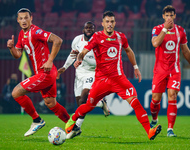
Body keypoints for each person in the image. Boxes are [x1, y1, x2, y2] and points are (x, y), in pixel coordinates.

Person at [65, 11, 162, 141]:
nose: (110, 24)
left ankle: (149, 131)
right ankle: (73, 118)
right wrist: (80, 59)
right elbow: (84, 51)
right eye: (107, 22)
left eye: (112, 22)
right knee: (88, 105)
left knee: (135, 102)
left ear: (115, 23)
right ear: (103, 23)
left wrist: (136, 67)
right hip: (102, 81)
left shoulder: (121, 37)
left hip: (119, 79)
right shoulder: (97, 37)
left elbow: (128, 50)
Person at [7, 8, 70, 137]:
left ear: (31, 18)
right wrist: (11, 48)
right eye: (21, 18)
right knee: (50, 103)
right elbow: (17, 54)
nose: (24, 21)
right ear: (18, 20)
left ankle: (37, 120)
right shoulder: (21, 34)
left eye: (26, 18)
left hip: (45, 73)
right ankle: (72, 126)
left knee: (16, 92)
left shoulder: (36, 31)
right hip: (45, 74)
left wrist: (50, 60)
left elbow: (58, 40)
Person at [57, 21, 109, 139]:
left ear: (94, 30)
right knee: (80, 103)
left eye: (91, 28)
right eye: (87, 27)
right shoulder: (77, 40)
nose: (89, 29)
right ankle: (101, 103)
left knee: (84, 97)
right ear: (83, 29)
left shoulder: (98, 42)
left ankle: (77, 128)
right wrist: (64, 68)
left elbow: (101, 60)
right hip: (79, 73)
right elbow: (72, 55)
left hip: (92, 72)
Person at [150, 5, 190, 137]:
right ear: (163, 16)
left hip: (174, 70)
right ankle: (154, 118)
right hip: (160, 70)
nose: (169, 18)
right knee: (155, 99)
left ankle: (170, 129)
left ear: (174, 16)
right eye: (166, 15)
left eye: (171, 15)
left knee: (172, 96)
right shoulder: (157, 29)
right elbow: (155, 43)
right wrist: (165, 30)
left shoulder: (181, 31)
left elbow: (185, 51)